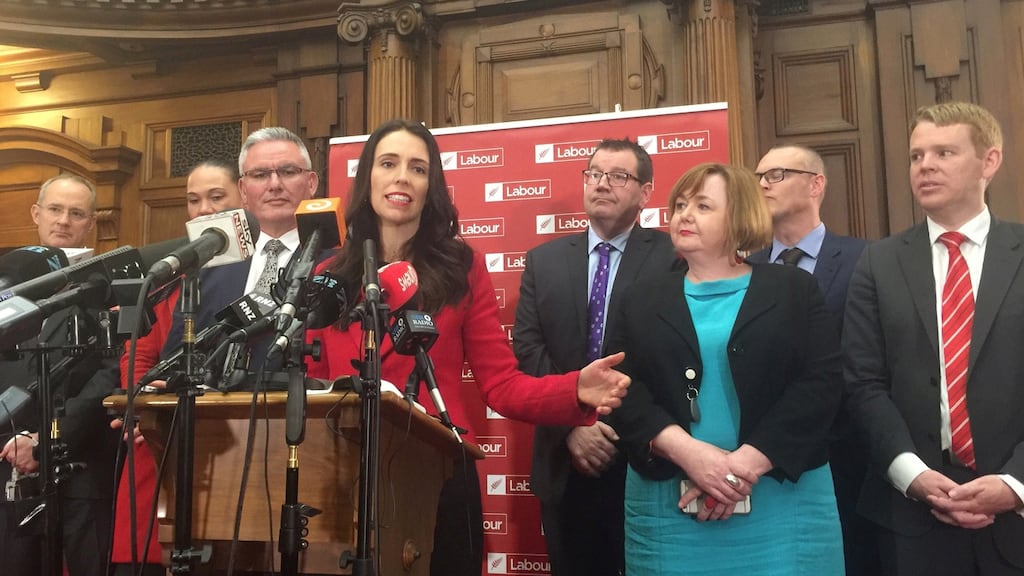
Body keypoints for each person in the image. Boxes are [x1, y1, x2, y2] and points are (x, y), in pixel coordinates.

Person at [303, 119, 631, 576]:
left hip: (438, 471)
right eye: (388, 163)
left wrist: (574, 389)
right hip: (337, 472)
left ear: (430, 186)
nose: (402, 177)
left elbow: (501, 384)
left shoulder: (462, 266)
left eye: (418, 168)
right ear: (368, 179)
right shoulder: (327, 272)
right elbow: (304, 376)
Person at [605, 162, 844, 575]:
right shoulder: (639, 298)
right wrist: (691, 455)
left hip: (782, 501)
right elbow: (621, 390)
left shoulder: (793, 289)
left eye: (702, 205)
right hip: (670, 506)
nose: (685, 215)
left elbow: (820, 385)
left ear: (738, 217)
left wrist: (742, 468)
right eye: (680, 205)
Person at [843, 101, 1024, 575]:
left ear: (990, 161)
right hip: (910, 515)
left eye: (944, 153)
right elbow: (862, 382)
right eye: (916, 156)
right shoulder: (878, 263)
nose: (925, 166)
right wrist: (913, 475)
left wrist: (1015, 484)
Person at [514, 138, 677, 576]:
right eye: (594, 174)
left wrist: (616, 425)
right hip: (565, 457)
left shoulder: (672, 258)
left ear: (645, 193)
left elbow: (670, 357)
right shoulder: (543, 261)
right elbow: (529, 351)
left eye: (618, 176)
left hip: (645, 457)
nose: (602, 184)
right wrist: (574, 424)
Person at [110, 158, 245, 576]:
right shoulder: (172, 273)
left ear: (243, 197)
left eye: (216, 197)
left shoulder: (264, 268)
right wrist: (142, 407)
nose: (203, 209)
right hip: (160, 432)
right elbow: (140, 355)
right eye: (193, 200)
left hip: (234, 438)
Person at [748, 145, 873, 575]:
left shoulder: (865, 259)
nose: (762, 183)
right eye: (759, 175)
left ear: (816, 184)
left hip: (848, 454)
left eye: (777, 174)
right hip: (761, 459)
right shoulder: (742, 267)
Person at [0, 174, 120, 576]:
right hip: (11, 464)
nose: (63, 220)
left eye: (76, 213)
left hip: (84, 467)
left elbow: (109, 375)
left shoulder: (109, 287)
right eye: (55, 209)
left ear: (90, 224)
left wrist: (50, 437)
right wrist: (16, 437)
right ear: (36, 213)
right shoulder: (6, 281)